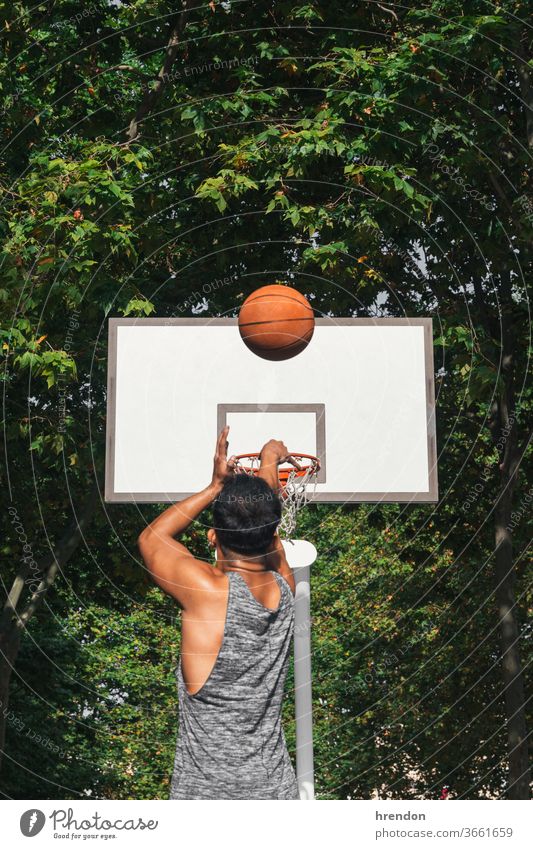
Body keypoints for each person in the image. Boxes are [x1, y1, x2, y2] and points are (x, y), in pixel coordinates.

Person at [137, 427, 300, 800]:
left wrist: (215, 487)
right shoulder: (286, 587)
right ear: (274, 535)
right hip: (277, 794)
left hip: (207, 801)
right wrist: (270, 460)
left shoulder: (208, 594)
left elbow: (152, 539)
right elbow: (265, 530)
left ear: (212, 537)